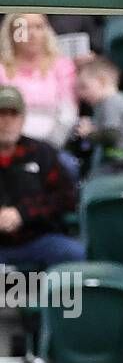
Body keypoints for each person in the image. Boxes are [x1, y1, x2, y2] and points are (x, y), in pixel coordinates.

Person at [0, 85, 81, 269]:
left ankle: (64, 298)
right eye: (1, 114)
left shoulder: (42, 153)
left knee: (74, 253)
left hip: (38, 238)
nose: (7, 122)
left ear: (23, 119)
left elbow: (66, 197)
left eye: (13, 115)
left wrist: (23, 213)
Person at [0, 12, 78, 150]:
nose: (32, 34)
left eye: (39, 27)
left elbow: (68, 113)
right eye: (24, 28)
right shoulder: (1, 68)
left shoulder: (62, 65)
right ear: (11, 32)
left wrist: (49, 146)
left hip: (53, 144)